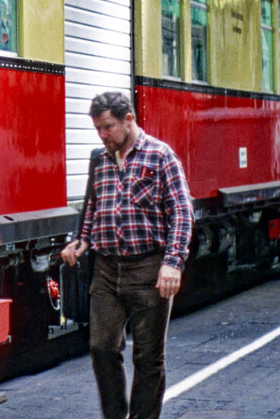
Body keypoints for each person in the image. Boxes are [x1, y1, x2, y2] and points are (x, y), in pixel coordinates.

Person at [60, 91, 193, 419]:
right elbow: (94, 205)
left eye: (108, 127)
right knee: (101, 347)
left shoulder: (161, 156)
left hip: (149, 268)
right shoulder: (100, 159)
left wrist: (172, 262)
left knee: (148, 358)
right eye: (97, 129)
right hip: (107, 269)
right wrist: (83, 241)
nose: (103, 135)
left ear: (128, 120)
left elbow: (181, 212)